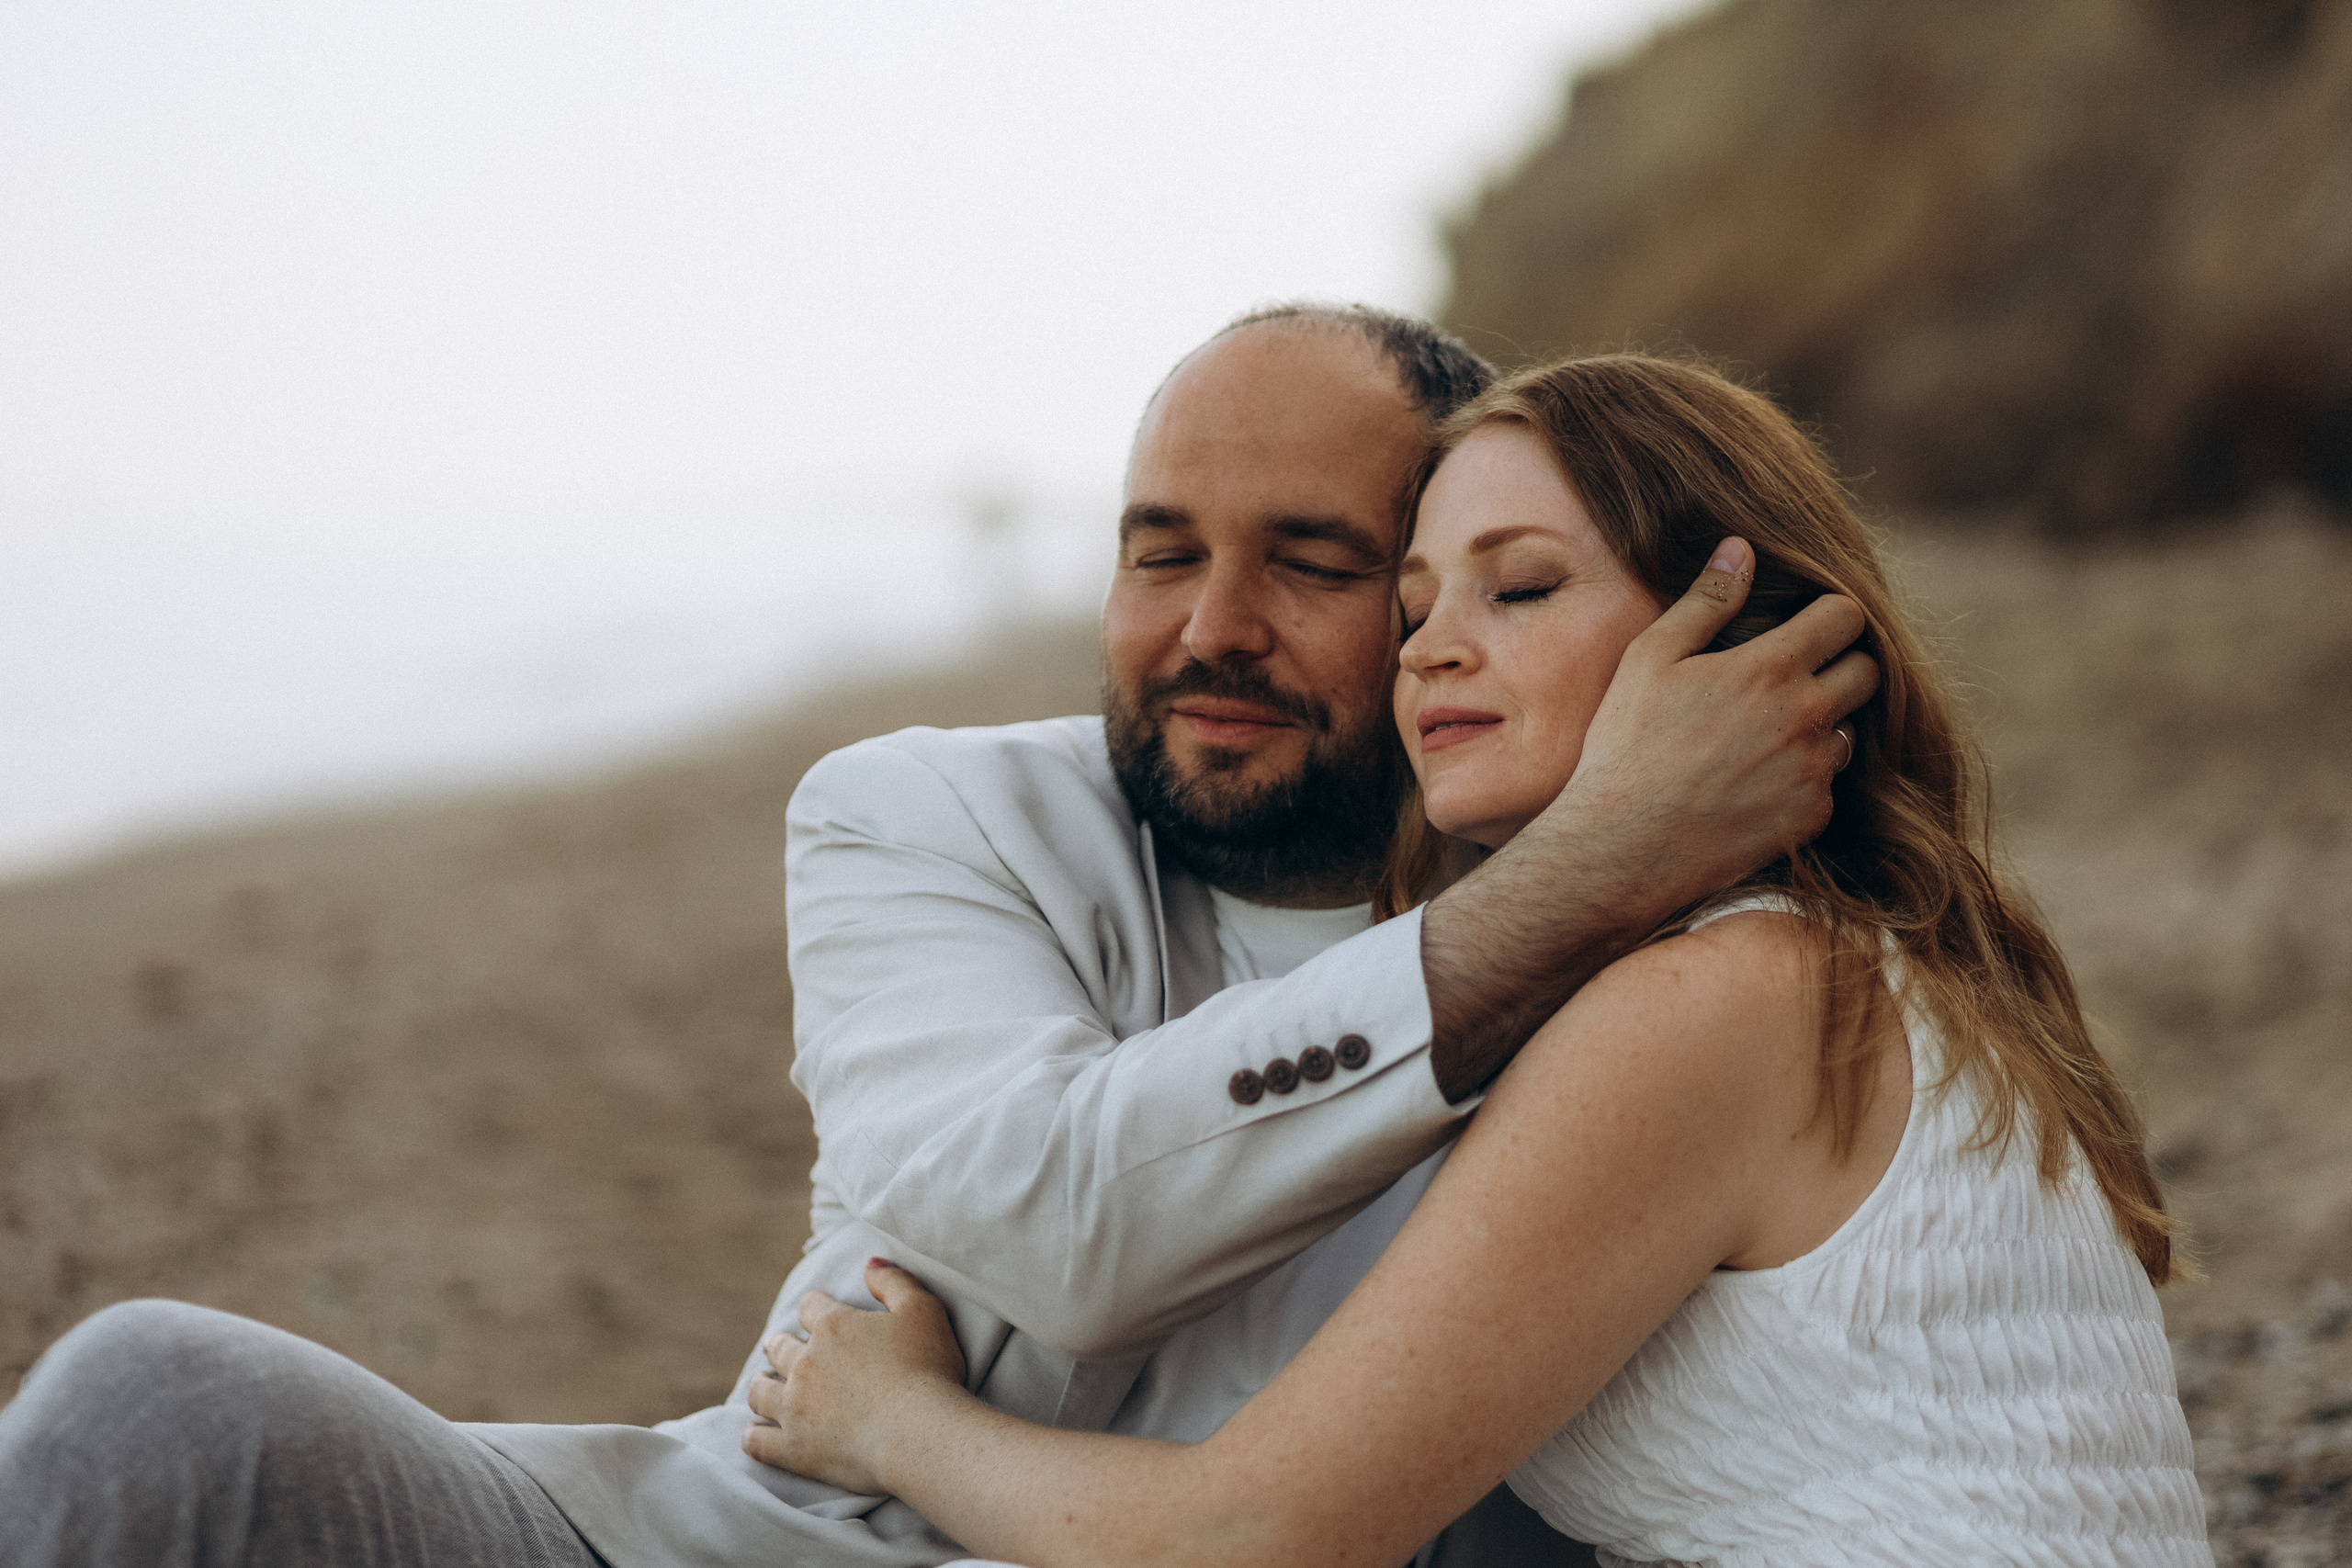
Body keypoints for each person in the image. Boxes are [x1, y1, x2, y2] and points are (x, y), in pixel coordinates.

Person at [0, 313, 1875, 1568]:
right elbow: (1032, 1220)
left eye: (1309, 562)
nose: (1209, 624)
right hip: (708, 1542)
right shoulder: (925, 814)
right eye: (1157, 552)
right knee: (152, 1396)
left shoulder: (1674, 989)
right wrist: (1568, 888)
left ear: (1443, 599)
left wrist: (1584, 871)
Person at [740, 353, 2213, 1568]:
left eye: (1518, 589)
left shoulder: (1727, 1000)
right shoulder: (1838, 960)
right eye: (1416, 603)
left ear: (1730, 642)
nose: (1434, 650)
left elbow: (1251, 1537)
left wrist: (887, 1421)